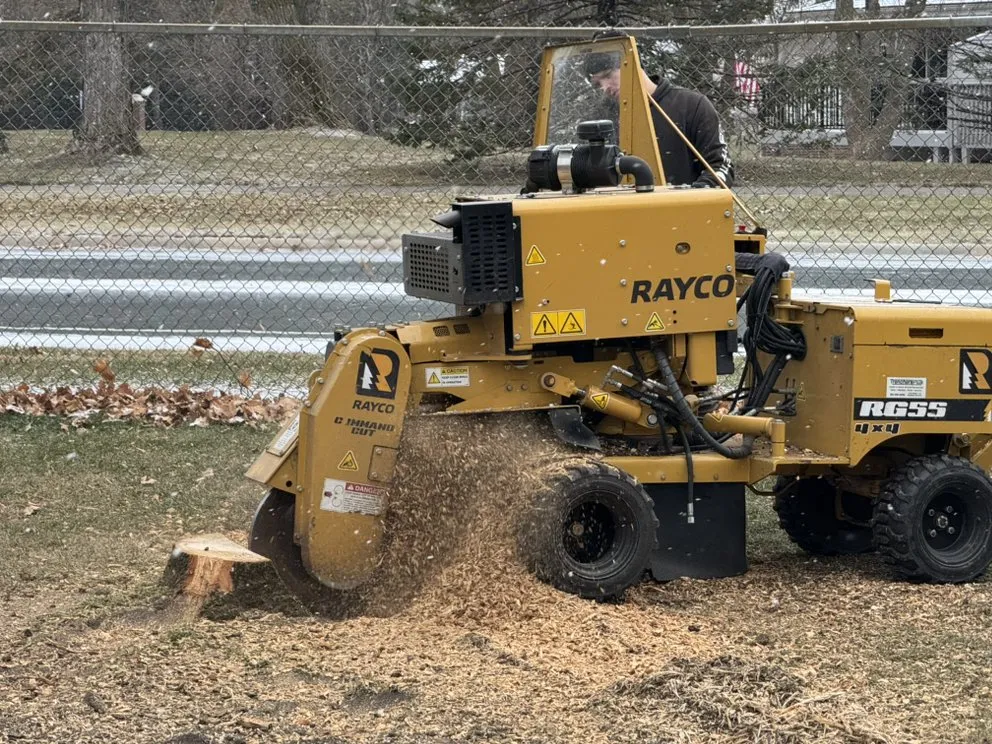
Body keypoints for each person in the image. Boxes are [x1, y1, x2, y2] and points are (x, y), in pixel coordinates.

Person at [583, 52, 734, 189]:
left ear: (632, 64)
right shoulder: (600, 120)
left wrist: (693, 197)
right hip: (619, 212)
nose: (605, 87)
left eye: (608, 75)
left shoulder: (691, 105)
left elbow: (719, 167)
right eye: (598, 84)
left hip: (680, 213)